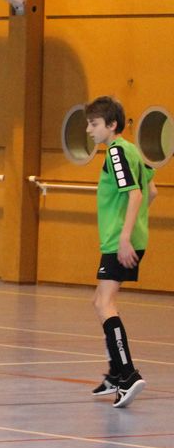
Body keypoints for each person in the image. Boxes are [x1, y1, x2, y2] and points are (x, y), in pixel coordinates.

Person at [84, 96, 154, 408]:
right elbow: (152, 190)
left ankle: (128, 375)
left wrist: (125, 236)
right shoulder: (132, 151)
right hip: (127, 238)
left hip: (118, 241)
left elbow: (136, 194)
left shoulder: (115, 153)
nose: (89, 130)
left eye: (94, 124)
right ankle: (115, 373)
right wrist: (136, 226)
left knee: (105, 304)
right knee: (99, 300)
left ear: (112, 125)